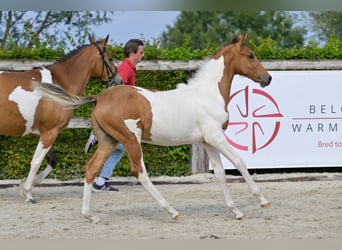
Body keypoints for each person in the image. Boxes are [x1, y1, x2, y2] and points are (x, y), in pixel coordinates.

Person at [84, 38, 144, 192]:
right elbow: (115, 90)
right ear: (132, 53)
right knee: (126, 146)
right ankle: (101, 179)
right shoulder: (125, 68)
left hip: (121, 115)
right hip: (119, 116)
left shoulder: (129, 67)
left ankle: (101, 181)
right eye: (141, 52)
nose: (143, 56)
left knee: (120, 147)